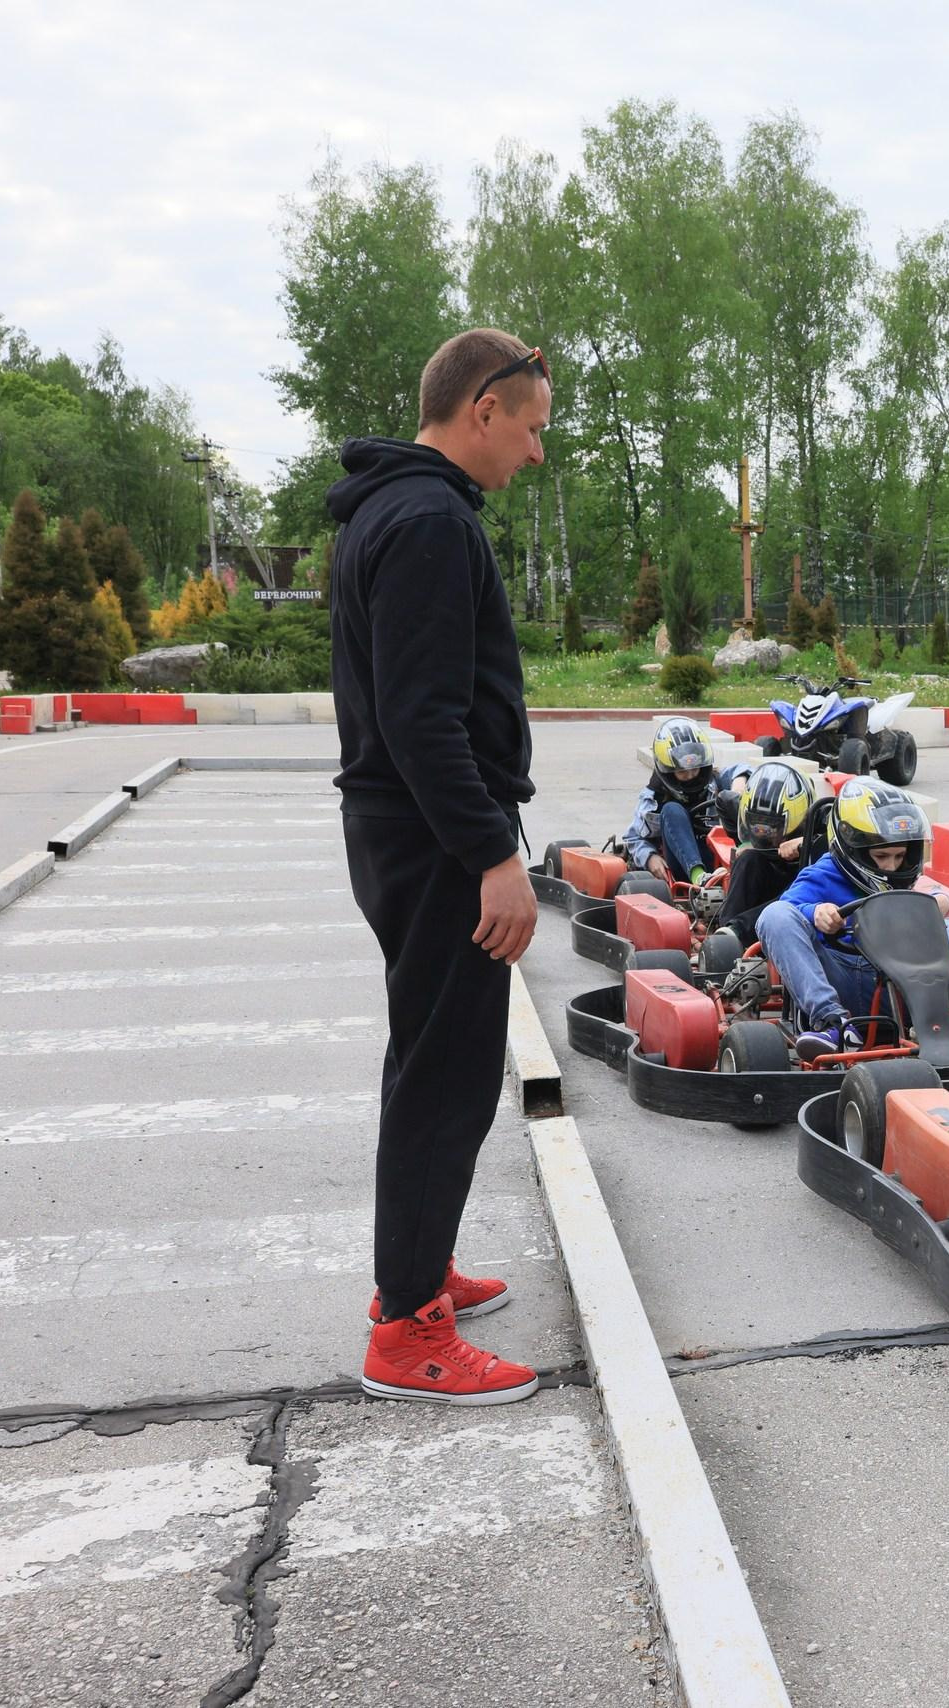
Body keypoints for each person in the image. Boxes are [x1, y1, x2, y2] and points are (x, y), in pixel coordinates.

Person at [330, 327, 550, 1405]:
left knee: (431, 1062)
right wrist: (490, 856)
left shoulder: (399, 509)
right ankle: (408, 1329)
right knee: (447, 1076)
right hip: (433, 845)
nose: (536, 453)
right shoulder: (424, 523)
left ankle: (414, 1275)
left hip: (404, 834)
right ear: (482, 410)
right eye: (532, 428)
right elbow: (423, 722)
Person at [756, 779, 949, 1062]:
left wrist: (931, 906)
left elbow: (938, 898)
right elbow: (784, 914)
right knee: (773, 916)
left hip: (904, 985)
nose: (891, 866)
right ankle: (834, 1026)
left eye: (899, 856)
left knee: (944, 926)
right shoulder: (824, 874)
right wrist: (814, 913)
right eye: (881, 856)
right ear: (852, 846)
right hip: (842, 983)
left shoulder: (904, 878)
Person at [705, 761, 826, 956]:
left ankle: (736, 932)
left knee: (803, 887)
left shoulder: (823, 820)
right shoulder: (753, 812)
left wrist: (805, 842)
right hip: (765, 878)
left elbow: (843, 841)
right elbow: (724, 800)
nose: (768, 836)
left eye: (775, 828)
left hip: (801, 893)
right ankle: (725, 943)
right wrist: (747, 844)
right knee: (749, 859)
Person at [615, 717, 725, 885]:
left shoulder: (716, 781)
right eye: (682, 772)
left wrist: (740, 783)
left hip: (722, 862)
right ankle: (699, 877)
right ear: (667, 769)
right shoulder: (653, 798)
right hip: (681, 866)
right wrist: (650, 858)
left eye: (695, 769)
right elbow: (633, 838)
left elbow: (743, 770)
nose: (690, 776)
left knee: (733, 800)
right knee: (672, 809)